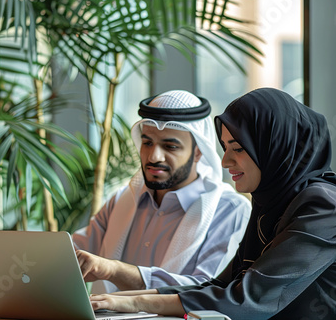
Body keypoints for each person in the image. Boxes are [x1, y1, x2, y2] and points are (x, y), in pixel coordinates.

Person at [89, 88, 336, 319]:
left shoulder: (324, 208)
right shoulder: (272, 202)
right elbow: (222, 286)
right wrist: (124, 299)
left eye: (238, 148)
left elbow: (247, 300)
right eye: (225, 147)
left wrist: (133, 302)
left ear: (274, 146)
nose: (225, 161)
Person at [73, 90, 251, 293]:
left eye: (170, 146)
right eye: (147, 143)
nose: (154, 156)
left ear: (198, 151)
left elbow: (206, 290)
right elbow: (72, 256)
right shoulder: (122, 199)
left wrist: (114, 271)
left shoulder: (229, 210)